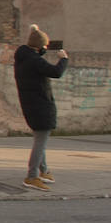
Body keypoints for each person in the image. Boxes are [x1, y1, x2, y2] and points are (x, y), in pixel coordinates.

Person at [14, 24, 68, 191]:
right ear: (39, 47)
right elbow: (56, 72)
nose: (46, 48)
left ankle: (43, 170)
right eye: (45, 45)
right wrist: (63, 58)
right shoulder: (34, 61)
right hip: (40, 106)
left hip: (31, 105)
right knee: (40, 142)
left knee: (40, 140)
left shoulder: (23, 59)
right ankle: (31, 176)